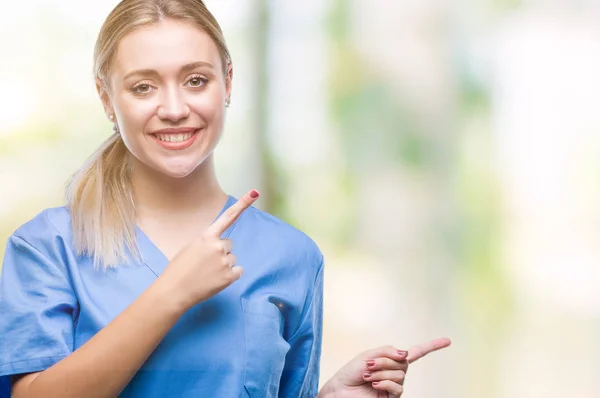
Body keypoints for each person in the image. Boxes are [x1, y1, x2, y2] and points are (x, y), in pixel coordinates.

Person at [0, 1, 450, 397]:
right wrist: (171, 293)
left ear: (228, 83)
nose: (175, 108)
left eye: (196, 80)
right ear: (106, 97)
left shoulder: (293, 256)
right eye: (143, 86)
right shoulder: (46, 246)